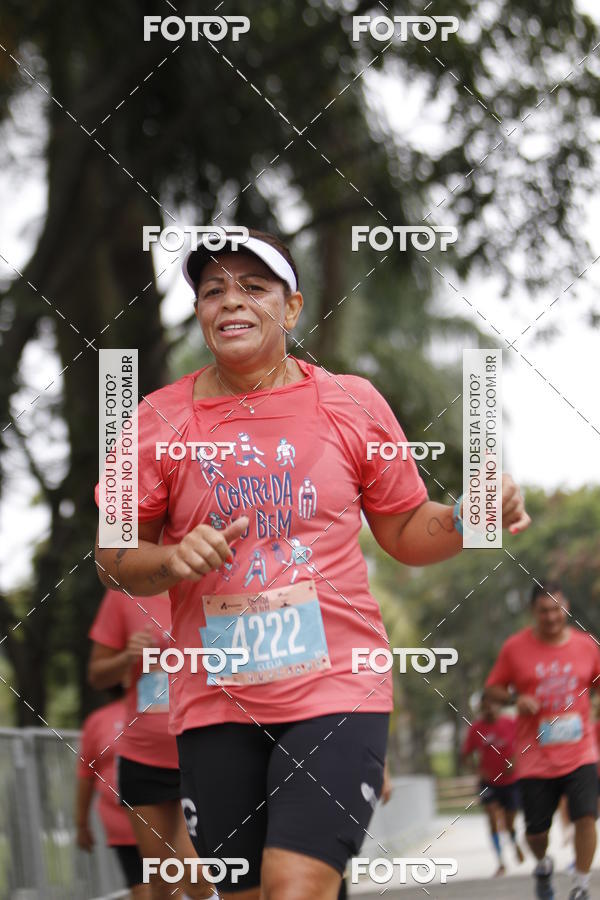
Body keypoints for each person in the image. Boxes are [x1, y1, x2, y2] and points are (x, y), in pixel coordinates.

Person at [95, 227, 530, 900]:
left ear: (292, 308)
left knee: (295, 885)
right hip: (215, 704)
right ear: (199, 311)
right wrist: (175, 559)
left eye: (254, 287)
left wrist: (470, 520)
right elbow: (113, 557)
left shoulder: (351, 403)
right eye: (213, 290)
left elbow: (407, 532)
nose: (231, 301)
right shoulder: (153, 421)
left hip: (337, 686)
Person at [88, 590, 215, 899]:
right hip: (142, 755)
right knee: (162, 883)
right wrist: (127, 658)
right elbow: (97, 675)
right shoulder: (123, 595)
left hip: (201, 752)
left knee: (197, 874)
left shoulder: (213, 582)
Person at [486, 581, 600, 900]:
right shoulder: (515, 648)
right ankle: (543, 863)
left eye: (557, 609)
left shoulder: (587, 645)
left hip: (580, 751)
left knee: (586, 816)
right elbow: (492, 690)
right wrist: (515, 698)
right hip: (535, 757)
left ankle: (580, 884)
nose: (551, 617)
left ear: (567, 609)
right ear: (533, 612)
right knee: (536, 833)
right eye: (544, 611)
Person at [76, 691, 150, 898]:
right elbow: (86, 774)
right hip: (122, 824)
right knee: (143, 888)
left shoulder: (161, 707)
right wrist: (81, 823)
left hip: (166, 816)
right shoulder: (99, 720)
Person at [462, 694, 525, 875]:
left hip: (510, 781)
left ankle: (514, 842)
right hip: (488, 782)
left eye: (492, 705)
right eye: (485, 706)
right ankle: (500, 861)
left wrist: (515, 761)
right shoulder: (476, 729)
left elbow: (524, 744)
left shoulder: (510, 723)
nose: (489, 709)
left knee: (509, 822)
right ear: (481, 709)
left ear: (499, 706)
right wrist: (477, 770)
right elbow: (465, 756)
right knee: (491, 818)